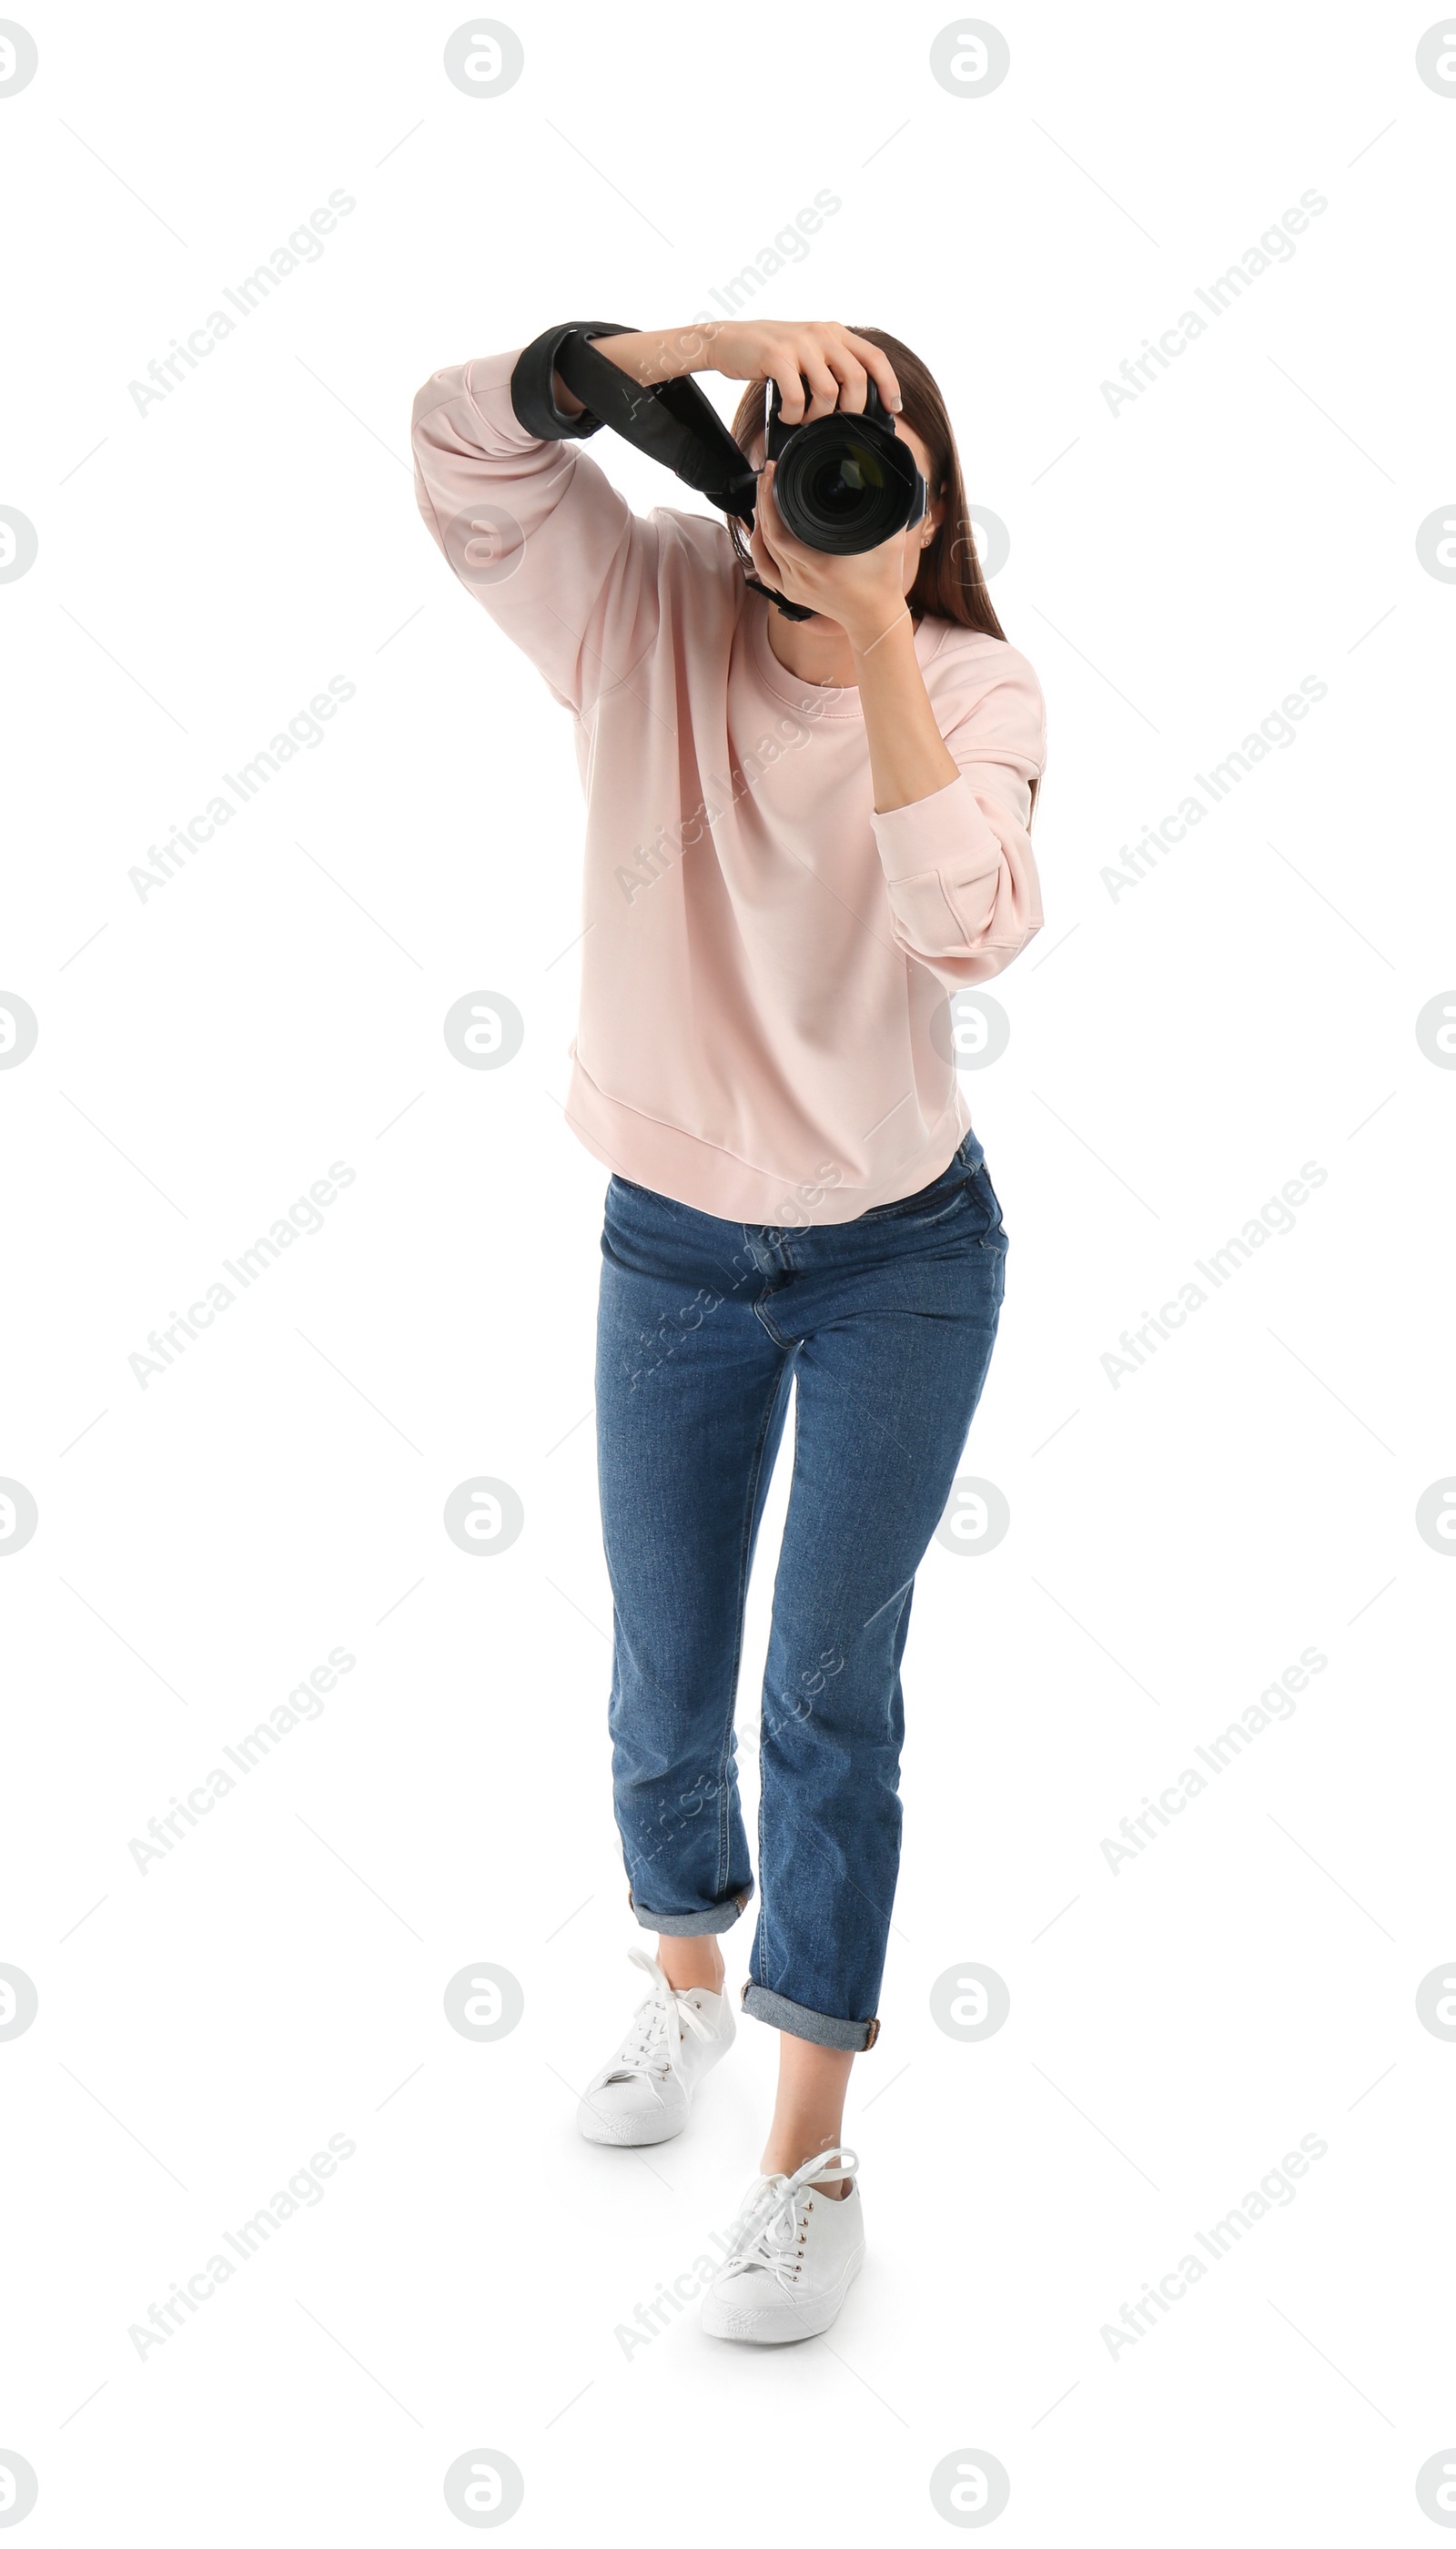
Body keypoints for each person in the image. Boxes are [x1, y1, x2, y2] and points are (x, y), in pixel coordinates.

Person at [411, 319, 1046, 2344]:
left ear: (918, 491)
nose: (825, 492)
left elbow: (973, 925)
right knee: (663, 1675)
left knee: (825, 1699)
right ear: (737, 477)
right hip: (673, 1247)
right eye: (792, 455)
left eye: (867, 464)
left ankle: (807, 2159)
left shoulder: (962, 681)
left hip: (899, 1260)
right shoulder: (645, 606)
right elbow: (456, 450)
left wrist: (870, 634)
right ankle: (682, 1988)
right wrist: (653, 357)